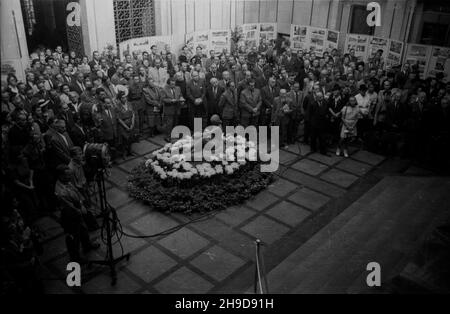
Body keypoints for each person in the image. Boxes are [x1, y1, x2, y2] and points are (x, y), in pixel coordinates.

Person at [54, 165, 99, 262]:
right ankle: (75, 258)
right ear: (61, 176)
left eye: (70, 174)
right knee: (74, 237)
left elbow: (77, 193)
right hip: (69, 216)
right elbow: (69, 206)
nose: (70, 177)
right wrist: (81, 209)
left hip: (77, 210)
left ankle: (87, 246)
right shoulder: (61, 191)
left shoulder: (67, 182)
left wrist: (82, 203)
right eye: (67, 175)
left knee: (83, 229)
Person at [116, 91, 136, 158]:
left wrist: (132, 123)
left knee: (130, 139)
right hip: (123, 126)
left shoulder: (129, 104)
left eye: (125, 97)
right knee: (124, 140)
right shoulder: (117, 106)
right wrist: (126, 127)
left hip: (130, 123)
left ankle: (130, 151)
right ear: (119, 99)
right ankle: (124, 153)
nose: (124, 99)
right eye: (122, 98)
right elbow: (119, 119)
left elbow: (133, 114)